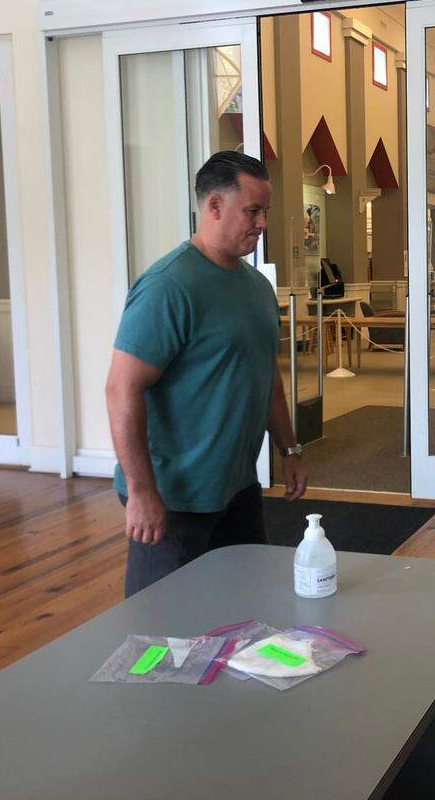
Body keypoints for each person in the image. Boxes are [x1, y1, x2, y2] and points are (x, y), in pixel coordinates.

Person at [106, 151, 307, 598]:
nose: (262, 223)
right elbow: (121, 390)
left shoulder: (256, 287)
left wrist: (289, 448)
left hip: (236, 488)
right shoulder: (168, 286)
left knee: (246, 606)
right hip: (174, 496)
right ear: (214, 206)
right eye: (252, 210)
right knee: (159, 627)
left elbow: (266, 374)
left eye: (265, 211)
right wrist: (141, 492)